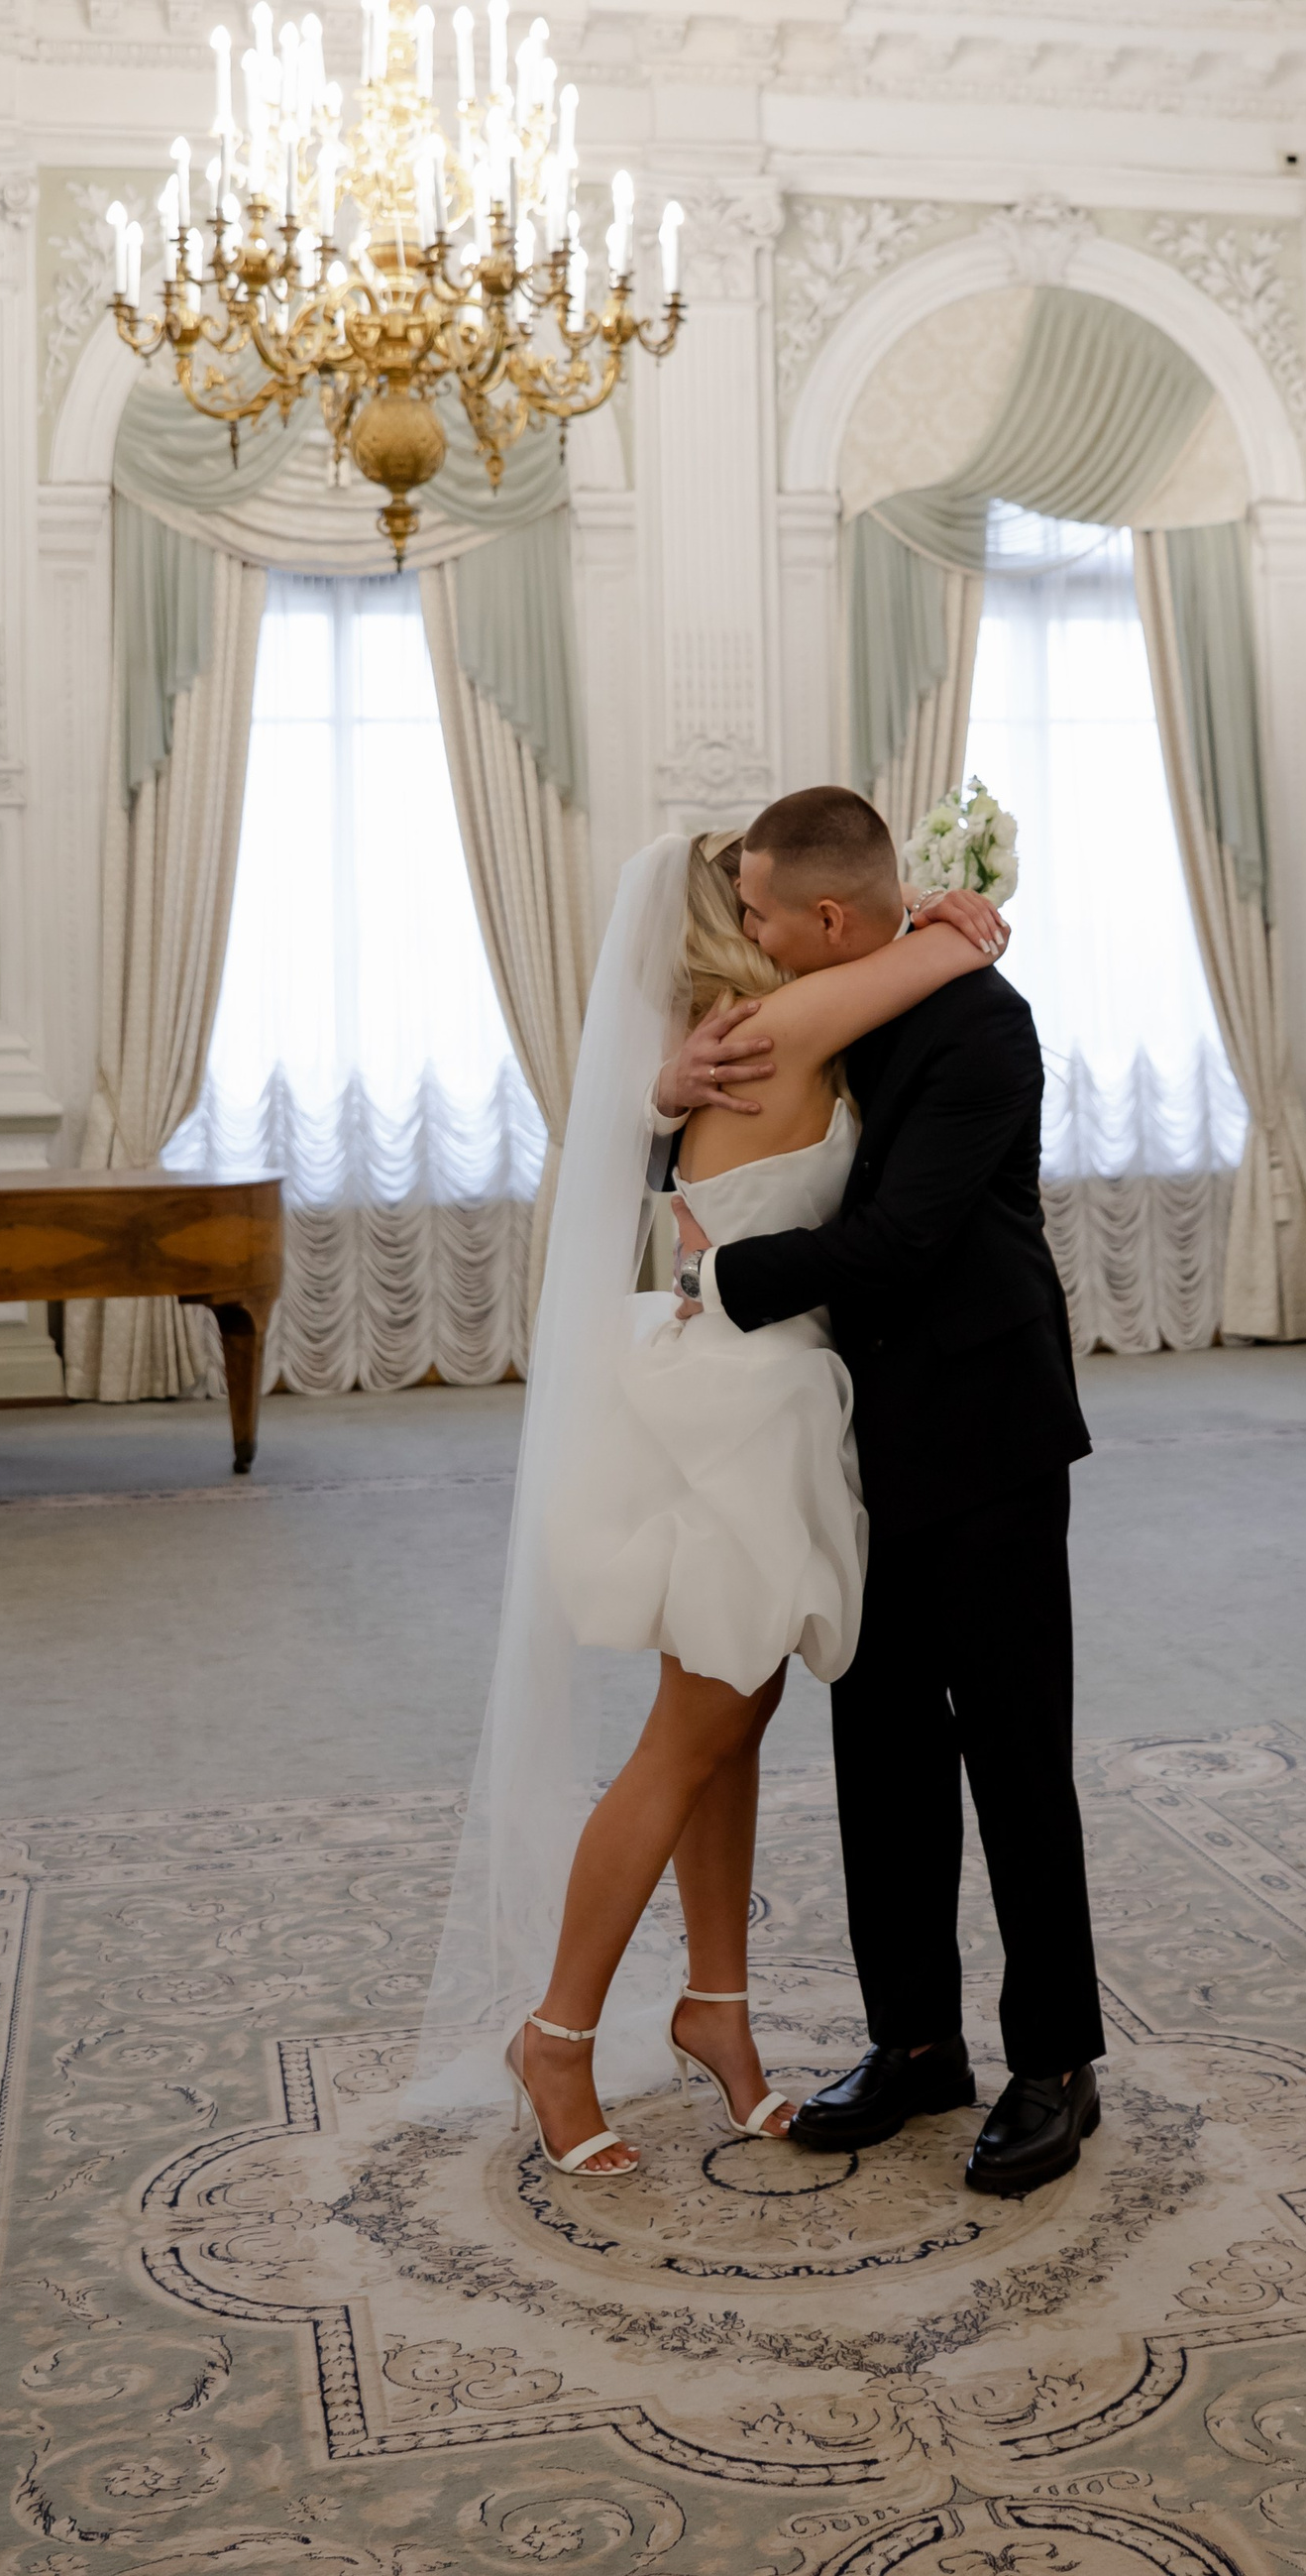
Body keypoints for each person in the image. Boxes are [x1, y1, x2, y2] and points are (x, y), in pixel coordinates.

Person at [408, 824, 1008, 2180]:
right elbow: (946, 946)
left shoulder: (719, 1039)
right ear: (740, 921)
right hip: (740, 1403)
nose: (773, 910)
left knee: (733, 1722)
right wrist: (947, 910)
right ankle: (556, 2033)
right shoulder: (772, 1027)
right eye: (752, 896)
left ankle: (717, 2014)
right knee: (691, 1736)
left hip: (749, 1385)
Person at [673, 787, 1106, 2199]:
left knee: (1014, 1749)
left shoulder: (982, 1023)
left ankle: (1055, 2061)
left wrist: (716, 1281)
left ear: (830, 918)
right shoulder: (834, 1006)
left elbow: (903, 1237)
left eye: (758, 908)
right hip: (855, 1431)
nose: (745, 929)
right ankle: (917, 2037)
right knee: (883, 1749)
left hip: (983, 1425)